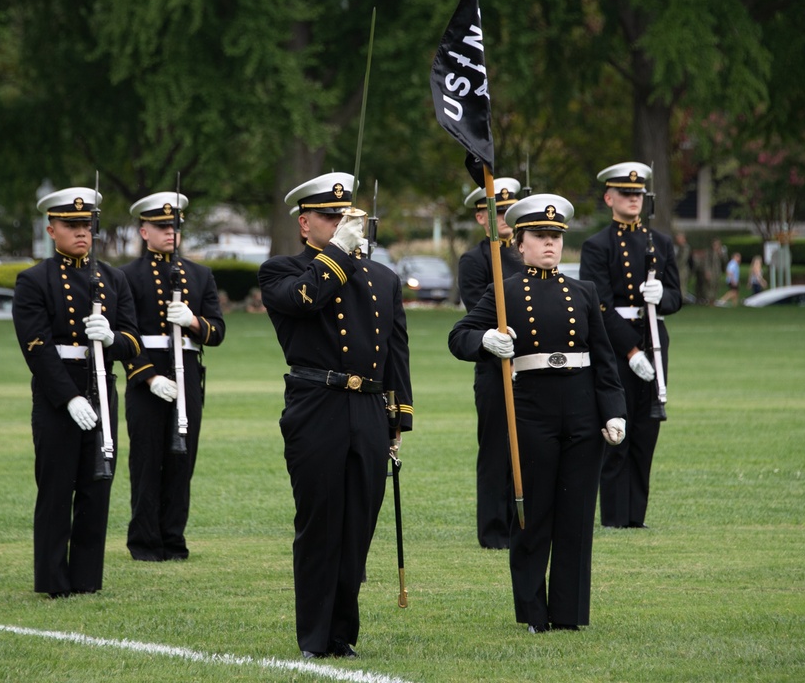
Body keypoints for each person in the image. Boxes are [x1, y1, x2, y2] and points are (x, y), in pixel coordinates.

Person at [449, 193, 627, 633]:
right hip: (531, 413)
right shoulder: (505, 292)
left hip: (582, 412)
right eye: (540, 236)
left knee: (577, 515)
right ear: (520, 243)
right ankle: (532, 613)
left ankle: (569, 613)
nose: (549, 244)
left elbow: (603, 359)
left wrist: (615, 411)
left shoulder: (583, 292)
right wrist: (487, 340)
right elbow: (459, 335)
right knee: (533, 517)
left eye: (555, 237)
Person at [258, 172, 413, 659]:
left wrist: (397, 419)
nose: (344, 224)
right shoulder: (281, 271)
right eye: (331, 217)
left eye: (350, 217)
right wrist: (338, 254)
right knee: (321, 522)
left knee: (358, 527)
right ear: (306, 224)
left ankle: (342, 633)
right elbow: (305, 301)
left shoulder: (384, 279)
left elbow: (396, 354)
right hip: (316, 405)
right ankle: (315, 635)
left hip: (367, 409)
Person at [13, 186, 142, 598]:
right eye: (71, 225)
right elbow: (35, 345)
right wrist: (68, 397)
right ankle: (52, 580)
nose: (81, 232)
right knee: (55, 488)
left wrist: (112, 338)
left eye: (86, 225)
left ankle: (87, 579)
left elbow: (133, 342)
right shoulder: (34, 279)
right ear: (51, 229)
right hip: (58, 395)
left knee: (96, 486)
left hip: (102, 387)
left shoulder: (112, 277)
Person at [120, 192, 226, 562]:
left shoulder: (199, 274)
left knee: (182, 460)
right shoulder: (127, 277)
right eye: (162, 227)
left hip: (188, 377)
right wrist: (148, 377)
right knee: (147, 459)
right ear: (144, 231)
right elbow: (125, 334)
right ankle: (145, 542)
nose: (170, 233)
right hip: (147, 380)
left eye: (175, 227)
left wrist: (194, 321)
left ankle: (173, 539)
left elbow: (217, 332)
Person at [579, 163, 681, 529]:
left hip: (653, 339)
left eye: (638, 194)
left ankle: (636, 517)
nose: (633, 199)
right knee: (617, 428)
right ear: (609, 198)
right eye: (625, 193)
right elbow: (600, 306)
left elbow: (676, 298)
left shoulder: (661, 243)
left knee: (645, 431)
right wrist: (630, 351)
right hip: (616, 345)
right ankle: (613, 517)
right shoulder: (597, 246)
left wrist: (662, 295)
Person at [457, 177, 524, 549]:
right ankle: (495, 530)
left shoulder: (527, 254)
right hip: (495, 365)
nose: (504, 218)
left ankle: (525, 522)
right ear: (482, 217)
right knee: (497, 449)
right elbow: (479, 313)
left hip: (533, 366)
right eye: (496, 211)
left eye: (510, 210)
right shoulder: (475, 260)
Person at [674, 232, 693, 300]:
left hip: (682, 270)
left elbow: (682, 260)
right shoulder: (680, 247)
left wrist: (675, 266)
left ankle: (682, 299)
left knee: (682, 285)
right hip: (680, 269)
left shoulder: (685, 248)